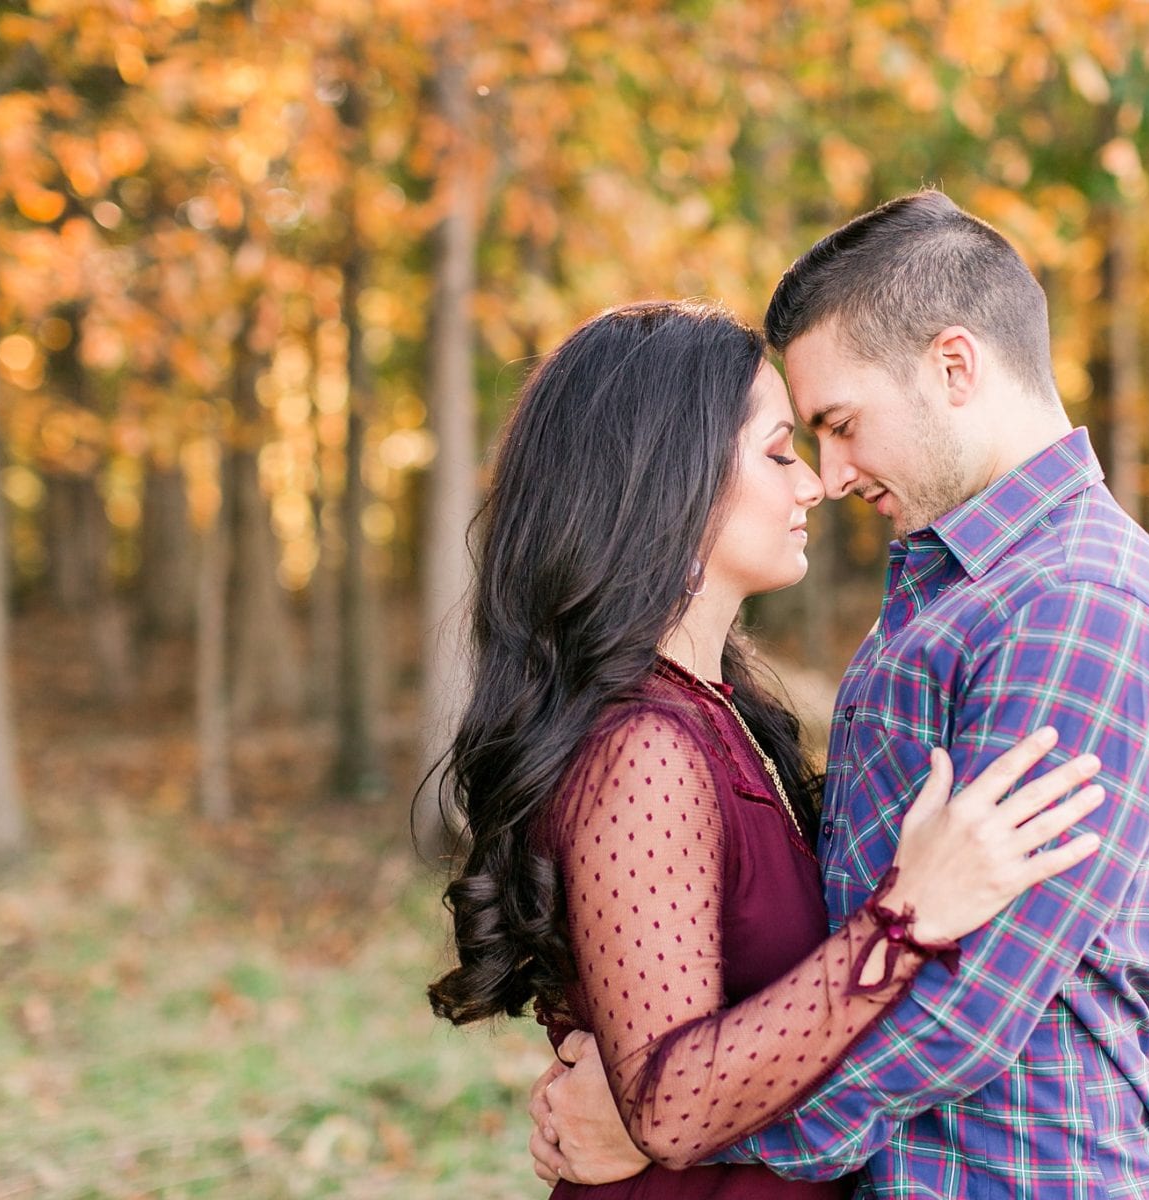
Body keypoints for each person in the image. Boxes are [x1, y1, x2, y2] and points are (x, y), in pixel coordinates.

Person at [531, 191, 1149, 1198]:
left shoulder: (1074, 608)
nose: (832, 475)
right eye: (800, 443)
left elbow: (966, 1007)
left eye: (841, 426)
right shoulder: (954, 590)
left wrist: (671, 1129)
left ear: (953, 367)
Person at [424, 297, 1111, 1198]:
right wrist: (906, 917)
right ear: (671, 478)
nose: (815, 483)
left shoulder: (725, 714)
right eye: (781, 451)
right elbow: (670, 1104)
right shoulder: (643, 748)